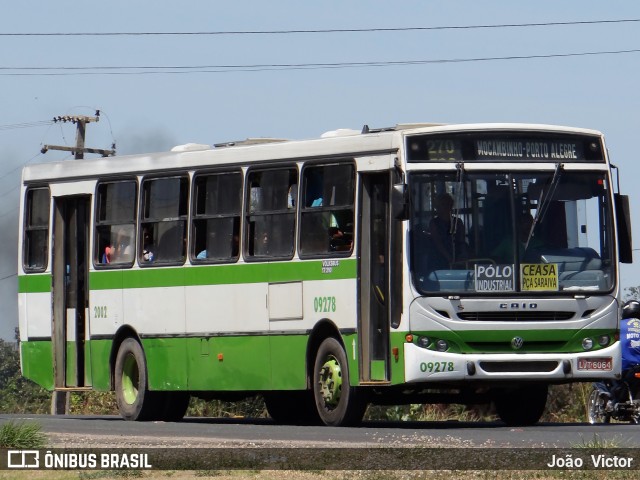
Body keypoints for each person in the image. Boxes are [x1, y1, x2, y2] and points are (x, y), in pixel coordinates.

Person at [426, 193, 467, 269]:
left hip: (457, 258)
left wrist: (462, 255)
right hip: (438, 259)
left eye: (447, 204)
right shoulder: (434, 223)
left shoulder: (458, 222)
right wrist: (450, 258)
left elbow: (462, 241)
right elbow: (438, 243)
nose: (445, 207)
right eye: (442, 204)